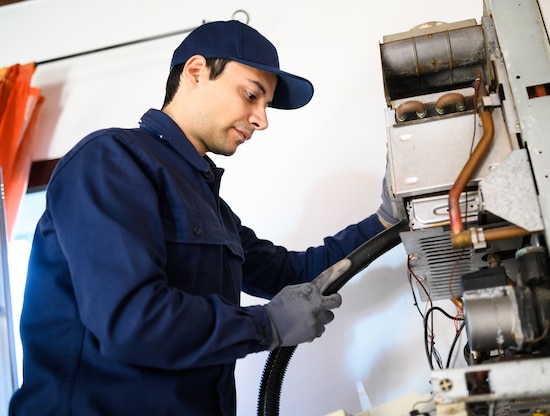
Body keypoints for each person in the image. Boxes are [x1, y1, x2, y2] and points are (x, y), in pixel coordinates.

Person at [9, 20, 400, 415]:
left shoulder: (211, 207)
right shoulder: (109, 160)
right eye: (251, 95)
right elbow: (131, 320)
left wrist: (385, 221)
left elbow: (291, 273)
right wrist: (266, 325)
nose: (262, 120)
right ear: (195, 71)